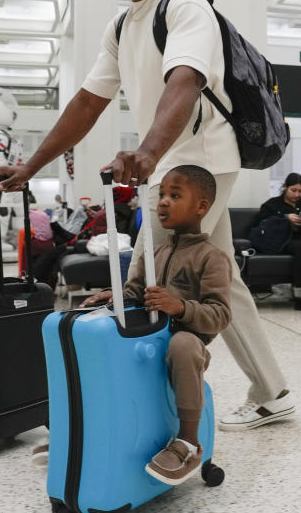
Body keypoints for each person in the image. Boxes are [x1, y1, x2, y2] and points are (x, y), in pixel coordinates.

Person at [0, 0, 293, 431]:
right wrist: (32, 167)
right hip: (170, 162)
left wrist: (151, 153)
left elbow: (186, 81)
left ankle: (136, 412)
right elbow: (88, 102)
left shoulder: (184, 5)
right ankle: (272, 392)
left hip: (199, 161)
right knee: (222, 277)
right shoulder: (122, 24)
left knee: (146, 273)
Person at [81, 166, 231, 484]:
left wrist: (179, 307)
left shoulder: (211, 257)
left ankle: (189, 441)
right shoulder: (157, 252)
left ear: (202, 207)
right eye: (161, 195)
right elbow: (136, 292)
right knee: (101, 337)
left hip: (187, 344)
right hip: (149, 338)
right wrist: (114, 297)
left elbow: (220, 314)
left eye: (175, 196)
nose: (163, 202)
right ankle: (85, 431)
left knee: (183, 343)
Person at [252, 173, 301, 310]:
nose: (297, 194)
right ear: (285, 188)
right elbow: (260, 221)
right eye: (293, 190)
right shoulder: (273, 204)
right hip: (283, 240)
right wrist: (285, 217)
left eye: (300, 191)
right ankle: (299, 294)